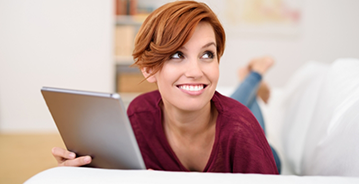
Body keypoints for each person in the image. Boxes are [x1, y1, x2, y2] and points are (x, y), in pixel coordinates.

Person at [51, 1, 278, 174]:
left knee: (242, 110)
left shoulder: (243, 130)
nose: (196, 71)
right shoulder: (139, 116)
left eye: (207, 54)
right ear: (148, 69)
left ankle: (254, 76)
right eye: (177, 55)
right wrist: (83, 172)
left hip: (265, 153)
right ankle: (252, 82)